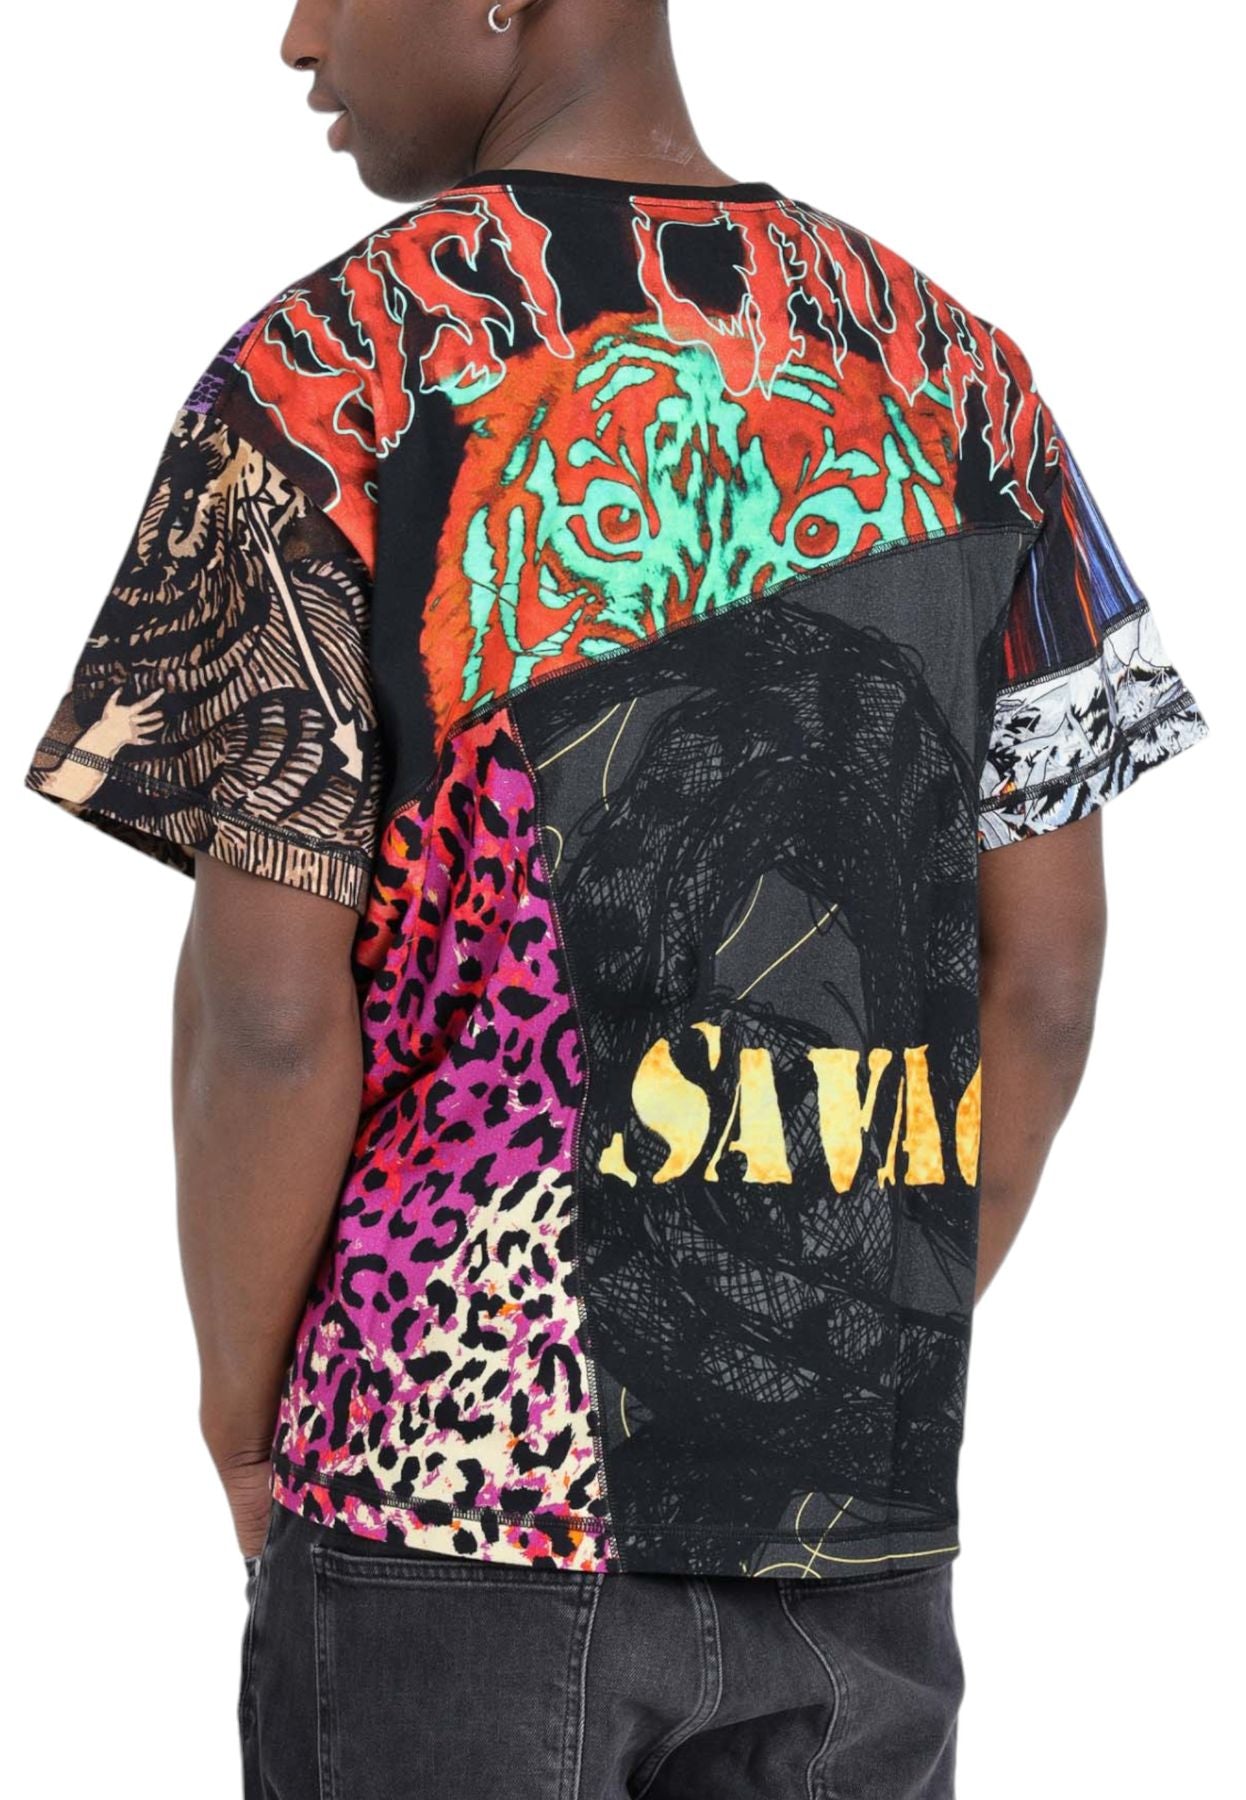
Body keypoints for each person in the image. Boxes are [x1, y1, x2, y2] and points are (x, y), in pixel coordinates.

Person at [23, 0, 1210, 1794]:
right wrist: (841, 1354)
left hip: (445, 1480)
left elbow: (266, 1015)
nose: (295, 38)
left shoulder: (330, 376)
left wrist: (244, 1415)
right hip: (852, 1523)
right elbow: (1043, 982)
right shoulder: (963, 380)